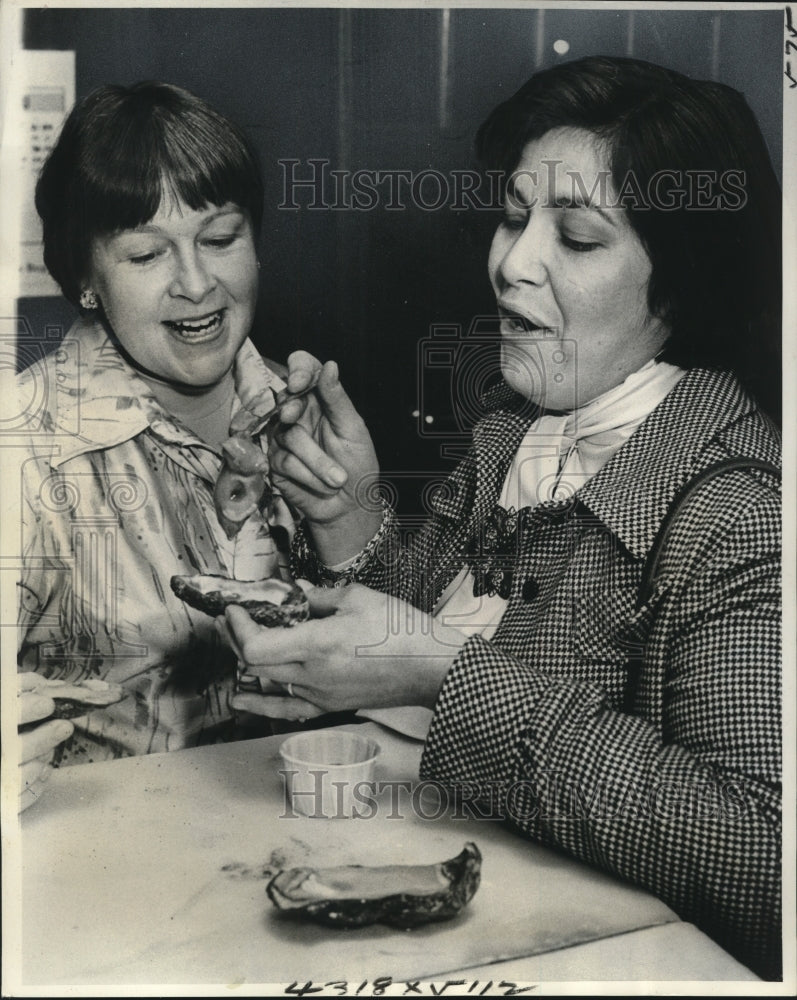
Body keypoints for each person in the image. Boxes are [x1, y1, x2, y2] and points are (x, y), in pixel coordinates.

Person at [222, 57, 782, 979]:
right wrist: (348, 511)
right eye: (516, 218)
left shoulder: (742, 512)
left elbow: (766, 861)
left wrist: (449, 677)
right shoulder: (511, 441)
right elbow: (408, 647)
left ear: (680, 286)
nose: (510, 263)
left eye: (577, 237)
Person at [15, 81, 299, 769]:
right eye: (147, 255)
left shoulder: (304, 418)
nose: (197, 283)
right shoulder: (25, 448)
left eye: (221, 237)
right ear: (86, 278)